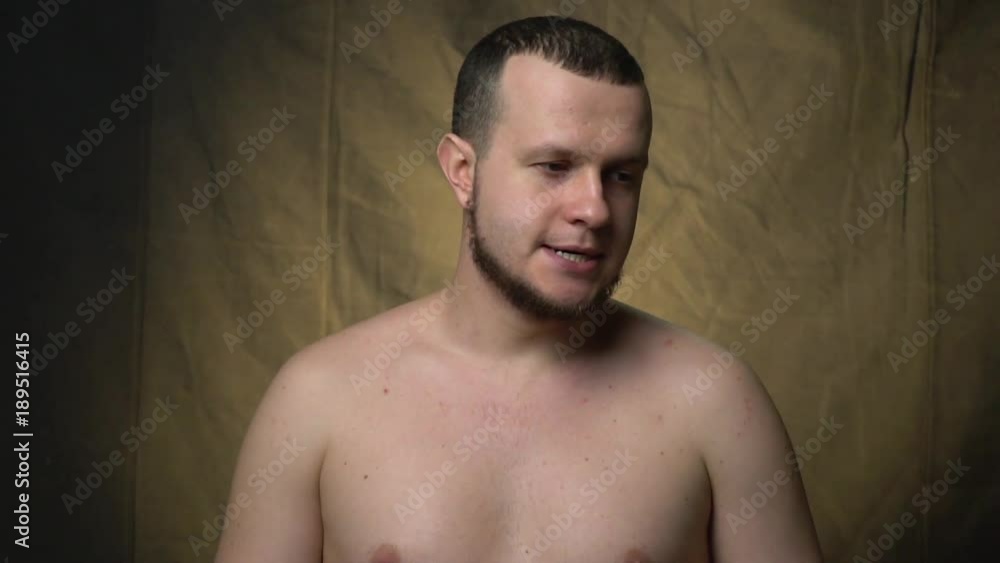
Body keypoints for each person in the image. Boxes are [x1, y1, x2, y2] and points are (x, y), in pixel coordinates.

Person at [215, 16, 824, 563]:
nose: (595, 209)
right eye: (554, 166)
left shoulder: (716, 404)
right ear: (463, 172)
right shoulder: (319, 398)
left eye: (621, 175)